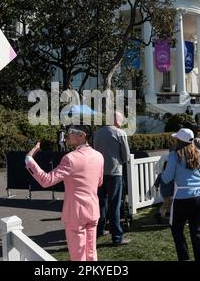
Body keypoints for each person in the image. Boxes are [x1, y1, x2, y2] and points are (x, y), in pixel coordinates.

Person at [25, 125, 104, 261]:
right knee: (91, 252)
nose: (67, 135)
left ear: (82, 135)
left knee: (78, 255)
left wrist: (29, 159)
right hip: (93, 210)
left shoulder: (70, 158)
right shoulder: (98, 156)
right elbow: (99, 182)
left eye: (70, 132)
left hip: (76, 213)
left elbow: (46, 180)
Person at [161, 128, 200, 261]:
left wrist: (162, 173)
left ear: (179, 140)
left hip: (181, 198)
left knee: (176, 229)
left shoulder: (174, 155)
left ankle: (184, 258)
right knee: (197, 230)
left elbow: (166, 178)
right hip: (198, 198)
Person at [94, 112, 131, 245]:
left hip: (99, 172)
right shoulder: (120, 133)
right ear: (118, 121)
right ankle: (117, 237)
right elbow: (126, 156)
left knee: (101, 204)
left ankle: (99, 231)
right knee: (114, 205)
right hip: (115, 172)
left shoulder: (98, 133)